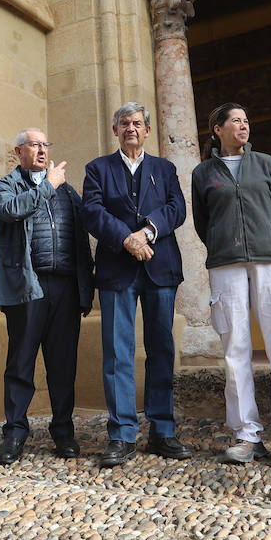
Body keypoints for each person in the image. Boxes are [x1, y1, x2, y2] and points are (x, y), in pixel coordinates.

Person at [190, 103, 271, 467]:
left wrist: (266, 241)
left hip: (270, 259)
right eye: (236, 121)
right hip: (225, 263)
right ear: (218, 129)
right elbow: (202, 221)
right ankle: (246, 434)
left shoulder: (265, 164)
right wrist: (225, 244)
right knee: (234, 349)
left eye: (246, 120)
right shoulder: (203, 173)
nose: (243, 126)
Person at [82, 101, 189, 468]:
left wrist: (146, 232)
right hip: (117, 269)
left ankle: (162, 431)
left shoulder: (165, 168)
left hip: (160, 268)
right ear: (115, 130)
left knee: (162, 349)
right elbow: (92, 211)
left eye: (137, 123)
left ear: (146, 130)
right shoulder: (97, 169)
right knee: (117, 354)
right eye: (124, 123)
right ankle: (122, 435)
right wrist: (126, 239)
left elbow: (177, 208)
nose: (131, 128)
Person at [0, 128, 94, 464]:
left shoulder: (68, 193)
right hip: (26, 286)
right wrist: (48, 184)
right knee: (20, 362)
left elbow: (81, 243)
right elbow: (10, 211)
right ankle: (15, 432)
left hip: (64, 286)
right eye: (33, 145)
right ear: (18, 152)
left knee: (63, 365)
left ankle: (63, 432)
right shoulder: (5, 187)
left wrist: (85, 289)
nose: (41, 150)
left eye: (45, 145)